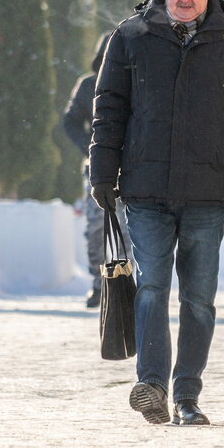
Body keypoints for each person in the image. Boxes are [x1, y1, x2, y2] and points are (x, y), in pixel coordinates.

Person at [90, 0, 224, 426]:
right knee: (152, 286)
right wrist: (102, 172)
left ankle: (187, 394)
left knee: (198, 298)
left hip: (207, 192)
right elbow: (108, 109)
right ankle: (151, 383)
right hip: (145, 190)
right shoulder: (131, 37)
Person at [62, 31, 130, 309]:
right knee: (95, 229)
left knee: (130, 231)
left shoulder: (135, 83)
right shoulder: (88, 85)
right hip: (96, 169)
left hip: (132, 169)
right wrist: (90, 148)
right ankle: (98, 285)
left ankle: (125, 286)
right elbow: (70, 122)